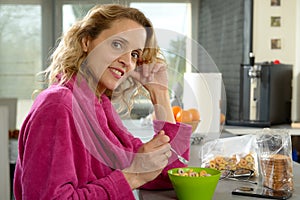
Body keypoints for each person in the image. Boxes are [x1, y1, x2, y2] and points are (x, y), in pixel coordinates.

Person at [13, 4, 192, 200]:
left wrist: (160, 93)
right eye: (117, 44)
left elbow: (172, 175)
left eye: (134, 54)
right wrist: (133, 176)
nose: (127, 61)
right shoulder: (59, 106)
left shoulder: (99, 108)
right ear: (86, 42)